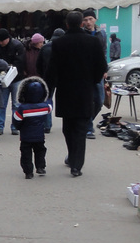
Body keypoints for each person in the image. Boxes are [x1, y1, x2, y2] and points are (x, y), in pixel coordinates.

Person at [45, 11, 107, 177]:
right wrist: (92, 80)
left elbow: (52, 69)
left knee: (68, 127)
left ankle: (72, 157)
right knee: (80, 128)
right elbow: (102, 66)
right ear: (81, 23)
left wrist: (53, 85)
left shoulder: (59, 43)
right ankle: (76, 165)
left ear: (66, 24)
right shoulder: (93, 42)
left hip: (65, 90)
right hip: (84, 90)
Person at [12, 75, 52, 179]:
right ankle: (40, 167)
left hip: (26, 136)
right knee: (40, 151)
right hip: (39, 136)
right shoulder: (45, 107)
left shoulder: (23, 108)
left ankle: (28, 172)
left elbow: (16, 120)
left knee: (26, 154)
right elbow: (50, 107)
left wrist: (19, 127)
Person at [0, 28, 27, 135]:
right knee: (2, 104)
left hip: (16, 78)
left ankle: (14, 126)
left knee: (15, 104)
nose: (0, 43)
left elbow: (21, 62)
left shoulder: (18, 46)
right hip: (4, 78)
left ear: (8, 38)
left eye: (2, 41)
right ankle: (0, 126)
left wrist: (7, 67)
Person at [81, 8, 108, 138]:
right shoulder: (81, 34)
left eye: (90, 19)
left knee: (100, 100)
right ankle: (88, 127)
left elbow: (104, 53)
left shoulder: (101, 34)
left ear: (95, 19)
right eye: (85, 20)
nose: (88, 22)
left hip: (98, 72)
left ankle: (88, 121)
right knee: (88, 100)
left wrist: (105, 69)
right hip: (85, 73)